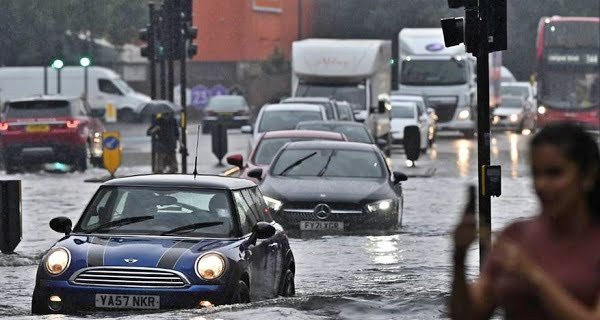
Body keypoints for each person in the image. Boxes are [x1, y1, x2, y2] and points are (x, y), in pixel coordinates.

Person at [450, 122, 600, 319]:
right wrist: (459, 257)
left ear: (587, 176)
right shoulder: (515, 235)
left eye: (555, 173)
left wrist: (534, 276)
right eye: (536, 174)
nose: (542, 185)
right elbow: (469, 314)